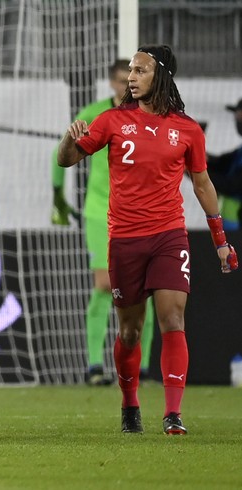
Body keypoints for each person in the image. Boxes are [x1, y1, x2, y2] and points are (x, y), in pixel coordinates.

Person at [57, 44, 237, 435]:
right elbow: (66, 160)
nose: (132, 78)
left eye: (140, 71)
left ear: (162, 77)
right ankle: (130, 403)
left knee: (173, 317)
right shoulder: (111, 120)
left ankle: (173, 414)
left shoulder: (187, 129)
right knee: (130, 331)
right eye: (131, 71)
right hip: (125, 238)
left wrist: (220, 239)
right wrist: (70, 139)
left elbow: (203, 184)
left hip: (170, 235)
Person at [52, 59, 157, 386]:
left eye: (133, 77)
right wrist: (57, 196)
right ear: (112, 83)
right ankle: (95, 366)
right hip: (100, 211)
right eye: (121, 79)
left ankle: (142, 368)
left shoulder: (150, 116)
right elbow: (62, 151)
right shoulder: (95, 113)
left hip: (139, 213)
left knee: (144, 290)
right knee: (102, 285)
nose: (126, 84)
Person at [206, 98, 242, 230]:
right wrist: (198, 158)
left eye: (240, 115)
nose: (237, 120)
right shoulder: (239, 151)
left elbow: (231, 185)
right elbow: (221, 164)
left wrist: (195, 171)